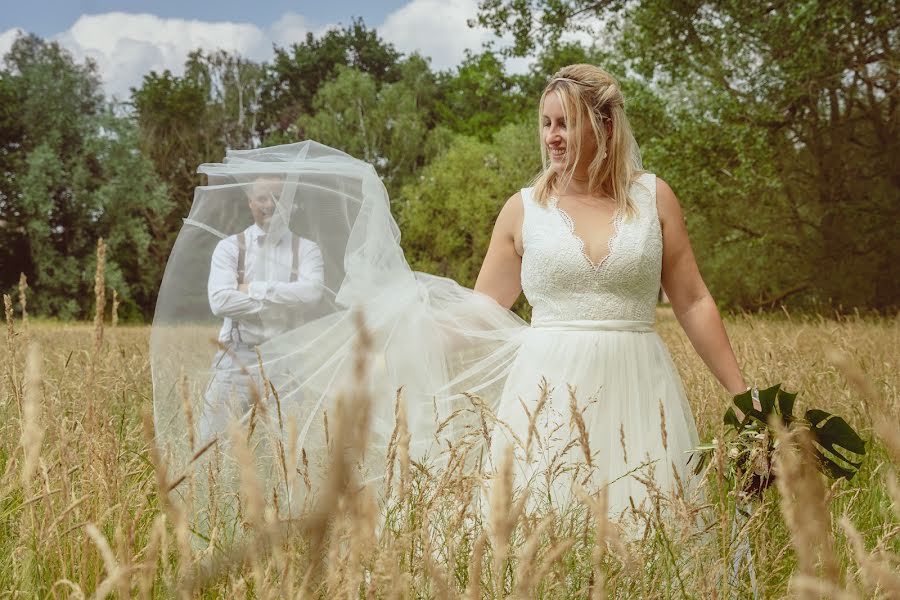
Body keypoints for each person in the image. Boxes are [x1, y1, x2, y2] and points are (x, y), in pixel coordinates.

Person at [471, 64, 750, 519]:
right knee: (545, 531)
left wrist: (744, 397)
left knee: (650, 528)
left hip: (640, 392)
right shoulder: (523, 210)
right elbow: (480, 315)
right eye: (546, 123)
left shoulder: (655, 198)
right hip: (546, 397)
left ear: (603, 125)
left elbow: (693, 300)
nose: (551, 137)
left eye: (564, 123)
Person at [199, 175, 325, 443]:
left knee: (287, 448)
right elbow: (220, 301)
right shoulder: (229, 247)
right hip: (236, 358)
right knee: (212, 444)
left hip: (286, 361)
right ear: (250, 202)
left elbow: (312, 292)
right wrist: (286, 299)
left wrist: (252, 289)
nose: (270, 204)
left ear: (289, 204)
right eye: (262, 198)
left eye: (278, 198)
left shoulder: (307, 249)